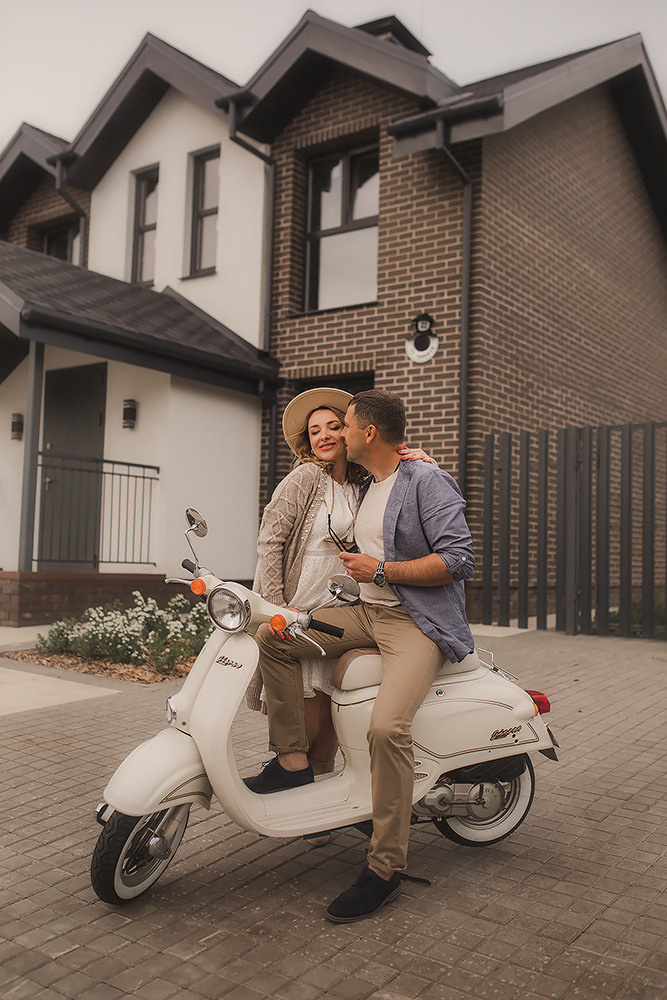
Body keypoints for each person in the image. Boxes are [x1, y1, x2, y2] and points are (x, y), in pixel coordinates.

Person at [246, 388, 476, 923]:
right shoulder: (367, 481)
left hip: (414, 623)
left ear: (367, 433)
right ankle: (294, 763)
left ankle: (384, 867)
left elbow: (459, 558)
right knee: (274, 639)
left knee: (387, 728)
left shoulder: (425, 480)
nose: (335, 434)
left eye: (343, 424)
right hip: (365, 613)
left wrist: (382, 571)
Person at [246, 386, 434, 774]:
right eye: (315, 431)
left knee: (330, 698)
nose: (325, 436)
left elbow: (394, 478)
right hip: (301, 597)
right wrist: (277, 605)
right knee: (303, 699)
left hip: (344, 602)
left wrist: (419, 458)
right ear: (307, 441)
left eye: (334, 426)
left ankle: (321, 775)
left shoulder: (361, 484)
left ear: (350, 433)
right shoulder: (303, 479)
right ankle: (294, 768)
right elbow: (269, 541)